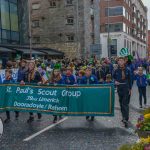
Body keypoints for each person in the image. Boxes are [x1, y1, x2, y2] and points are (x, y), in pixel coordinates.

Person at [113, 57, 132, 128]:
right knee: (121, 103)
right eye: (119, 61)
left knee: (125, 103)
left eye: (122, 60)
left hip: (126, 88)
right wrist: (115, 82)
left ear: (124, 61)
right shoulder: (116, 70)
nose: (120, 62)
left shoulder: (128, 70)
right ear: (117, 62)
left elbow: (130, 79)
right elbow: (113, 78)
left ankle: (126, 118)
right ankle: (123, 116)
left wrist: (130, 89)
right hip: (119, 88)